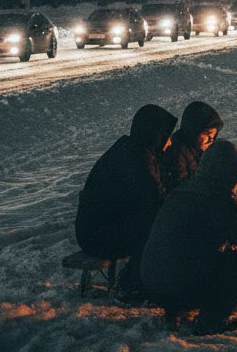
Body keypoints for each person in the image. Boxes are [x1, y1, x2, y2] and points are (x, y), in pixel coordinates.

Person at [141, 139, 237, 334]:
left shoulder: (182, 190)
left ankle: (174, 310)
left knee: (192, 257)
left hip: (152, 284)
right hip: (180, 286)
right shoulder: (218, 198)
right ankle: (212, 319)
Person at [75, 104, 177, 301]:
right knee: (156, 227)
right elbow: (154, 199)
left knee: (154, 223)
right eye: (167, 135)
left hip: (100, 228)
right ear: (156, 134)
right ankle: (131, 285)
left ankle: (136, 280)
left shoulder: (135, 150)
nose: (170, 142)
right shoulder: (138, 157)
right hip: (97, 235)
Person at [161, 101, 223, 191]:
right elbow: (183, 191)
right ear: (194, 131)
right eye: (207, 134)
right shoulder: (177, 155)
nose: (211, 139)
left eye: (214, 134)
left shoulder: (200, 150)